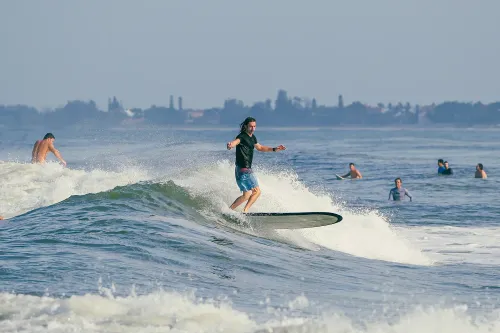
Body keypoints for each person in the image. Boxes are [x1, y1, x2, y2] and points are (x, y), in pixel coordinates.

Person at [226, 117, 286, 212]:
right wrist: (231, 145)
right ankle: (245, 211)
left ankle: (229, 210)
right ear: (246, 126)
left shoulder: (252, 137)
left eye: (254, 126)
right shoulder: (242, 136)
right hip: (244, 170)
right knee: (257, 191)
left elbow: (260, 147)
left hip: (241, 169)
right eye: (251, 126)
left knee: (246, 195)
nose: (253, 129)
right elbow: (236, 142)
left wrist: (274, 149)